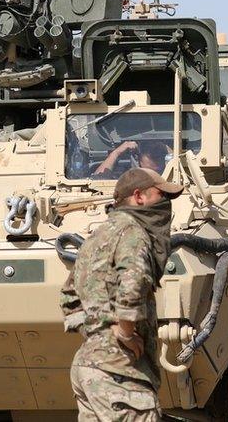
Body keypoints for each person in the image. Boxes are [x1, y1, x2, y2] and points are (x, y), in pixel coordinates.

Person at [60, 168, 184, 421]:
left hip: (88, 367)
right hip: (120, 371)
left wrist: (97, 333)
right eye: (161, 196)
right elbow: (133, 283)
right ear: (138, 197)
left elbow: (69, 296)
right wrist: (124, 332)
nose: (166, 204)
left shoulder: (98, 235)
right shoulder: (133, 233)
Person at [94, 140, 171, 177]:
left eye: (157, 172)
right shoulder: (127, 177)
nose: (152, 176)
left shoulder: (173, 177)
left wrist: (173, 155)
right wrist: (116, 153)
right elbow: (97, 180)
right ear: (138, 162)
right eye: (147, 171)